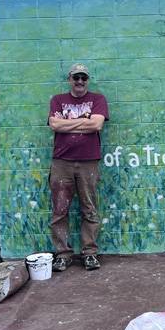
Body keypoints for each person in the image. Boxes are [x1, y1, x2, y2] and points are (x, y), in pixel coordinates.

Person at [47, 63, 109, 272]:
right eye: (76, 78)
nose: (80, 81)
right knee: (59, 210)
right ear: (69, 80)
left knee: (89, 209)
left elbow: (97, 125)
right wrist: (83, 120)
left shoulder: (97, 99)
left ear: (87, 80)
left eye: (83, 78)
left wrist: (68, 123)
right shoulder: (58, 100)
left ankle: (89, 253)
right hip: (61, 162)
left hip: (88, 161)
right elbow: (55, 125)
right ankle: (63, 255)